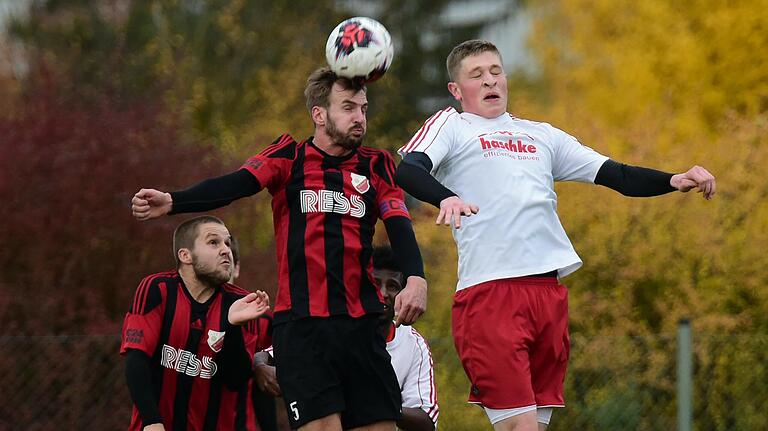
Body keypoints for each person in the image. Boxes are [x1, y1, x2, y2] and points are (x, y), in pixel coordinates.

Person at [395, 40, 716, 431]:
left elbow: (617, 175)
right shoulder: (452, 125)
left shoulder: (541, 135)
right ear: (456, 90)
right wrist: (448, 197)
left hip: (548, 296)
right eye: (476, 75)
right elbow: (409, 170)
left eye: (496, 71)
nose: (490, 80)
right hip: (491, 295)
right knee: (521, 426)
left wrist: (674, 179)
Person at [130, 67, 428, 431]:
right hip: (304, 330)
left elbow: (399, 226)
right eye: (348, 107)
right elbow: (236, 184)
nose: (360, 118)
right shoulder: (289, 156)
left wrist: (417, 277)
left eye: (364, 108)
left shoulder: (377, 165)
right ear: (319, 114)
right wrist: (174, 201)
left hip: (362, 329)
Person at [121, 215, 271, 431]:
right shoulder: (157, 289)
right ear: (186, 255)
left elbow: (235, 380)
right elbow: (137, 360)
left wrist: (233, 326)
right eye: (213, 242)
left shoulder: (242, 303)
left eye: (227, 243)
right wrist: (152, 421)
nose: (225, 250)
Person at [372, 246, 438, 431]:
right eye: (376, 284)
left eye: (392, 286)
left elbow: (426, 420)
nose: (383, 293)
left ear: (403, 293)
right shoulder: (336, 329)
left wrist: (381, 405)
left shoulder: (414, 345)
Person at [228, 236, 278, 431]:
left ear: (237, 267)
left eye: (228, 256)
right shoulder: (179, 310)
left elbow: (263, 385)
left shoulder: (262, 320)